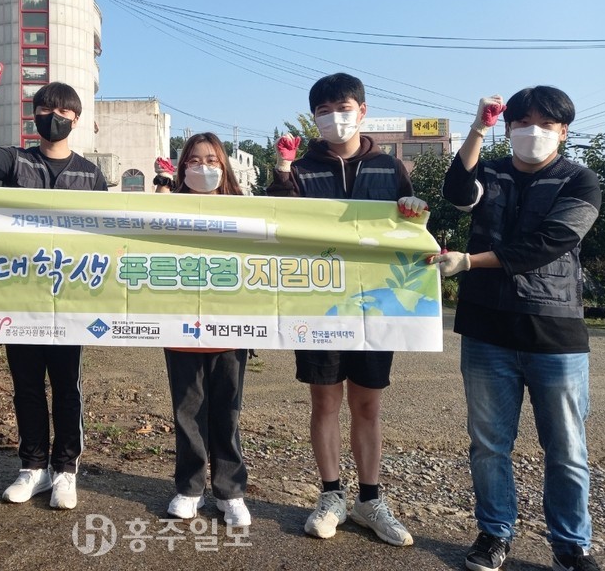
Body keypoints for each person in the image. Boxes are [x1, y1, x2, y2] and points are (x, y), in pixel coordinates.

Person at [431, 88, 602, 571]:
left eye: (546, 124)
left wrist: (469, 261)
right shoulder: (492, 170)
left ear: (563, 132)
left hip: (555, 332)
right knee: (489, 444)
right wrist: (478, 129)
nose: (534, 132)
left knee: (566, 447)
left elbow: (551, 242)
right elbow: (456, 193)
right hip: (487, 329)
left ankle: (572, 544)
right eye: (523, 122)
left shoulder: (580, 180)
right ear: (509, 130)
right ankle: (493, 534)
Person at [267, 72, 425, 547]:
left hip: (378, 306)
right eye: (324, 111)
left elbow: (407, 228)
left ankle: (370, 499)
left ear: (363, 110)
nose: (335, 117)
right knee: (324, 400)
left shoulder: (390, 167)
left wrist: (415, 212)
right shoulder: (298, 168)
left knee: (369, 403)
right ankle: (331, 494)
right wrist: (280, 171)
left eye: (344, 107)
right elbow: (276, 224)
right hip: (318, 304)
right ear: (314, 117)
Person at [0, 66, 107, 510]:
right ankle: (32, 467)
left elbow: (107, 235)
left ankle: (65, 470)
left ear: (76, 119)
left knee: (67, 387)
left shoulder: (90, 174)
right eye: (46, 108)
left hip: (71, 299)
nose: (54, 115)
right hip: (19, 296)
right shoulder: (16, 161)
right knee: (25, 385)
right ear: (34, 116)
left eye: (63, 109)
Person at [164, 133, 252, 528]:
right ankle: (190, 487)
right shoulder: (164, 211)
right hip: (177, 324)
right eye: (194, 160)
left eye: (212, 160)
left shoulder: (244, 211)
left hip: (231, 325)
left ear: (224, 167)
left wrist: (284, 170)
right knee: (187, 410)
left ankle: (230, 490)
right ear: (182, 167)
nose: (203, 168)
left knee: (227, 409)